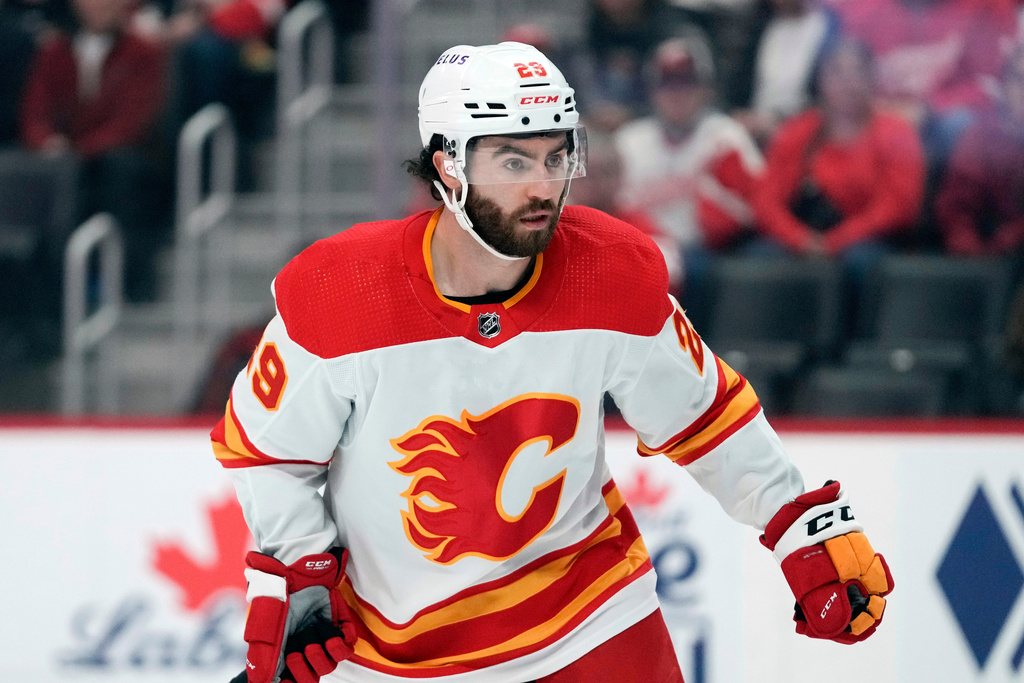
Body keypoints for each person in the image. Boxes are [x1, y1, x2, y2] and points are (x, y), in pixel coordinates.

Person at [212, 42, 893, 683]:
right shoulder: (342, 293)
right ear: (447, 164)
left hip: (590, 622)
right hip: (394, 653)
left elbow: (705, 415)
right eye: (513, 162)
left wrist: (796, 519)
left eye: (556, 157)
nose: (544, 186)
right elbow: (268, 449)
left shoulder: (612, 272)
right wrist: (298, 565)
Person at [19, 0, 170, 301]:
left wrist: (79, 152)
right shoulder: (56, 51)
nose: (98, 6)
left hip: (119, 160)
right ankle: (43, 289)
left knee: (118, 169)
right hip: (66, 161)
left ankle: (124, 280)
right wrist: (47, 141)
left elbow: (132, 121)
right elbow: (34, 112)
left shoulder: (144, 52)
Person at [751, 39, 925, 280]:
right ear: (819, 81)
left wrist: (836, 241)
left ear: (873, 79)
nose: (848, 83)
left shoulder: (896, 132)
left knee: (860, 262)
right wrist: (799, 239)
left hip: (871, 243)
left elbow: (898, 207)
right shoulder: (796, 132)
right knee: (759, 257)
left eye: (858, 72)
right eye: (837, 72)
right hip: (805, 236)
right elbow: (766, 203)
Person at [614, 35, 764, 298]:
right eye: (666, 83)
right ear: (651, 91)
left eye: (686, 82)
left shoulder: (726, 137)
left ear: (706, 88)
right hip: (637, 251)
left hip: (706, 256)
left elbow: (754, 209)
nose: (676, 93)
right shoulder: (628, 141)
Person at [934, 42, 1024, 257]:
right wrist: (972, 251)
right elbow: (956, 207)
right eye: (1020, 80)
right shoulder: (980, 136)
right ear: (1004, 87)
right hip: (994, 255)